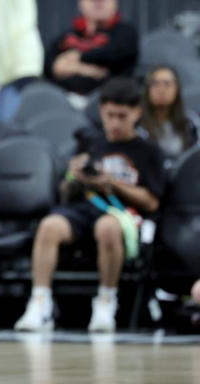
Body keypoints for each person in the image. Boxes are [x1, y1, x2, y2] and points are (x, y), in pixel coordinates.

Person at [15, 77, 165, 333]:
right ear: (101, 111)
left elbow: (151, 202)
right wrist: (74, 177)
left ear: (137, 113)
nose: (115, 123)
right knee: (49, 226)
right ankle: (40, 302)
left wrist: (113, 184)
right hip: (84, 207)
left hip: (122, 213)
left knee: (107, 228)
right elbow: (64, 193)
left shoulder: (149, 151)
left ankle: (106, 301)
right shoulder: (90, 142)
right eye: (110, 115)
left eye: (122, 116)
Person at [44, 0, 139, 96]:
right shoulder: (68, 35)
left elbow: (112, 55)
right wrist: (88, 69)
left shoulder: (125, 31)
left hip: (109, 100)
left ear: (114, 2)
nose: (98, 1)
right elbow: (50, 66)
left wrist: (76, 59)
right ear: (81, 3)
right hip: (64, 100)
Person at [140, 65, 199, 162]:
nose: (161, 89)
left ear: (177, 89)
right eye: (155, 83)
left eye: (167, 84)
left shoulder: (191, 123)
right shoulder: (136, 125)